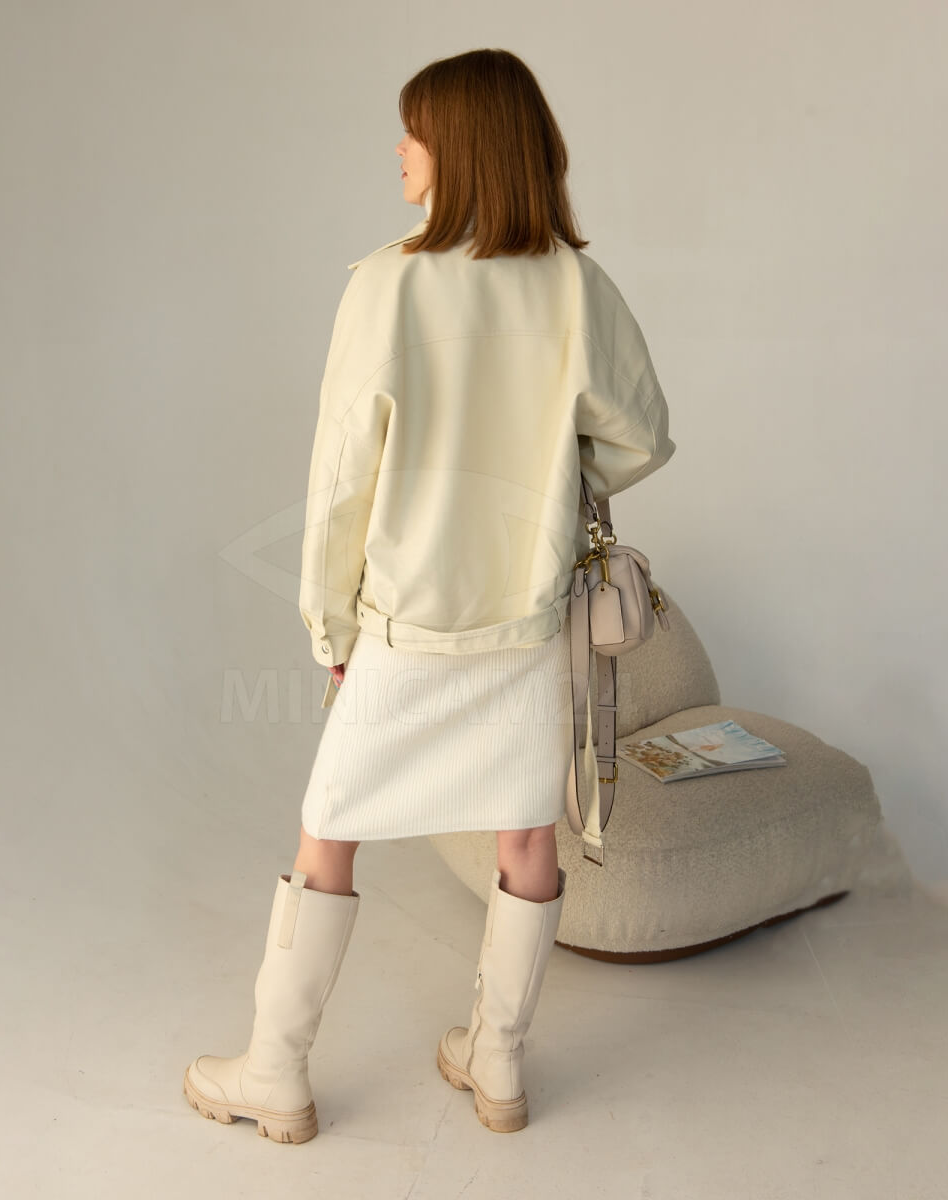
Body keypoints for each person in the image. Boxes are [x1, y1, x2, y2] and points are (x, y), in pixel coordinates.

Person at [183, 48, 676, 1143]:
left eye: (413, 131)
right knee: (527, 835)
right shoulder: (577, 286)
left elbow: (341, 477)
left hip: (408, 622)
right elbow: (641, 437)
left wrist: (327, 620)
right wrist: (549, 479)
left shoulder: (387, 284)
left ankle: (275, 1073)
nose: (399, 150)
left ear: (458, 147)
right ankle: (497, 1067)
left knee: (328, 831)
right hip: (525, 618)